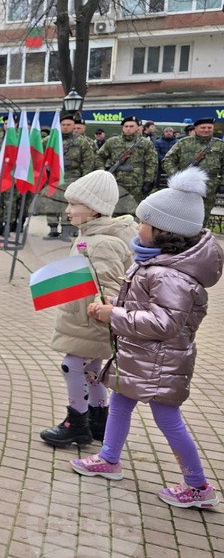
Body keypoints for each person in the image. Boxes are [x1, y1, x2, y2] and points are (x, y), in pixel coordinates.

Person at [73, 168, 224, 509]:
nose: (138, 227)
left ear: (163, 231)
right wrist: (115, 306)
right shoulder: (154, 261)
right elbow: (144, 306)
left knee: (168, 420)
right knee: (120, 403)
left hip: (161, 364)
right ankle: (109, 458)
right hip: (140, 357)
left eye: (144, 222)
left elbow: (164, 323)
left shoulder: (171, 275)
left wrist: (114, 316)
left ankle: (198, 486)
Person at [39, 171, 135, 448]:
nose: (67, 210)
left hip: (90, 320)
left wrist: (101, 306)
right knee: (92, 369)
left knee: (72, 366)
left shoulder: (103, 242)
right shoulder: (92, 235)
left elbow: (108, 285)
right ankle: (98, 419)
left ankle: (76, 423)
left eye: (74, 204)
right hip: (83, 317)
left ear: (94, 209)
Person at [161, 118, 224, 227]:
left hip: (209, 188)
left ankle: (199, 236)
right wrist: (177, 177)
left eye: (209, 128)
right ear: (196, 129)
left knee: (203, 218)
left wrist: (222, 183)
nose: (206, 130)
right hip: (185, 187)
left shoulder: (220, 145)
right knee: (182, 216)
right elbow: (167, 161)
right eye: (203, 127)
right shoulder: (183, 143)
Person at [44, 114, 97, 240]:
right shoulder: (49, 140)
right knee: (51, 204)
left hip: (73, 179)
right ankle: (52, 230)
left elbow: (88, 162)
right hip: (53, 178)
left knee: (69, 205)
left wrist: (84, 181)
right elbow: (38, 155)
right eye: (63, 125)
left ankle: (66, 231)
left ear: (73, 126)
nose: (65, 127)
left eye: (68, 125)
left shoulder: (81, 141)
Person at [97, 116, 158, 217]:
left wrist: (149, 181)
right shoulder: (112, 142)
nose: (128, 129)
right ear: (122, 128)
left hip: (137, 185)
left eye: (131, 126)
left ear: (137, 128)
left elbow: (151, 163)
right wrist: (105, 173)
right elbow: (99, 158)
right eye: (126, 126)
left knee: (135, 214)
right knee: (114, 213)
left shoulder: (145, 143)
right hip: (116, 184)